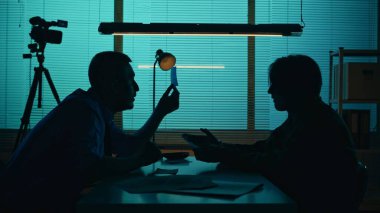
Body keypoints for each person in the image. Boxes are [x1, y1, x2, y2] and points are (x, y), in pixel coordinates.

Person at [0, 51, 180, 210]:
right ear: (111, 84)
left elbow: (126, 147)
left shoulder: (93, 109)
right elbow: (91, 167)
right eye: (130, 79)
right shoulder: (83, 112)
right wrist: (137, 161)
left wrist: (159, 112)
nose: (137, 87)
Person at [183, 55, 358, 212]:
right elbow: (265, 148)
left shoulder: (317, 123)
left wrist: (223, 153)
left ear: (294, 87)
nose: (270, 91)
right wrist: (221, 147)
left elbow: (275, 163)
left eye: (276, 84)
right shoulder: (305, 115)